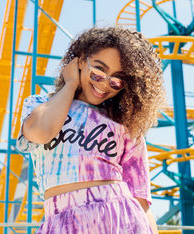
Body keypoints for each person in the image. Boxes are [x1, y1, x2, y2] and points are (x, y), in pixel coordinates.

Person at [17, 26, 165, 234]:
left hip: (119, 217)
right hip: (60, 222)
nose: (105, 84)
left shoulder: (124, 123)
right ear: (79, 61)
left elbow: (140, 199)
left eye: (117, 80)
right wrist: (70, 84)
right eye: (98, 72)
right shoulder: (41, 104)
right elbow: (40, 132)